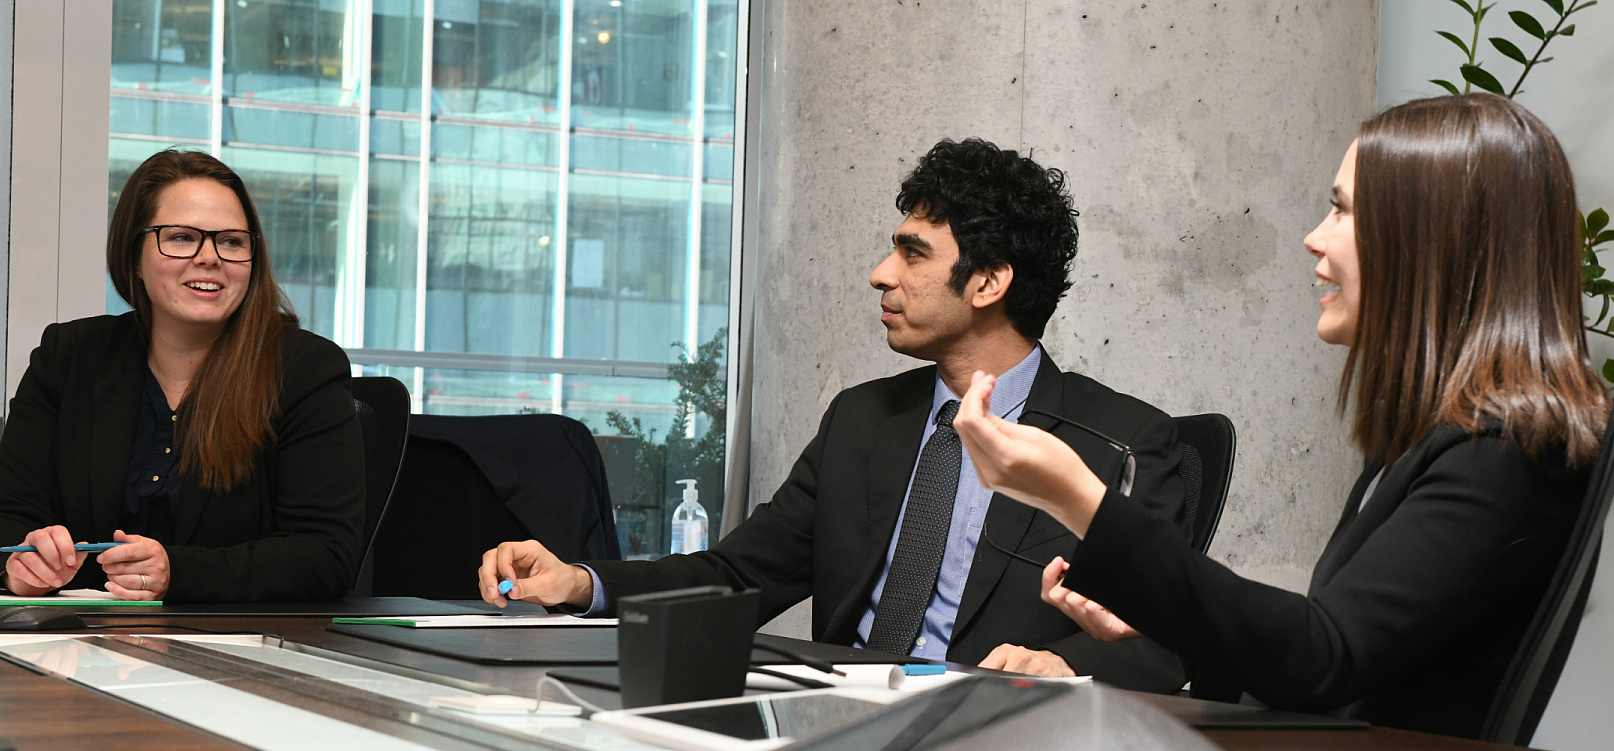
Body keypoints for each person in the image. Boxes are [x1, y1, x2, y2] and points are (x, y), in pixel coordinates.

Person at [953, 94, 1611, 737]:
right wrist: (1161, 619)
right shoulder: (1436, 441)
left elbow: (1324, 659)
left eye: (1343, 212)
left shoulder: (1504, 450)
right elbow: (1317, 658)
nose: (1312, 238)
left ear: (1429, 239)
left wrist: (1079, 501)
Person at [481, 138, 1192, 689]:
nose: (881, 273)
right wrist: (584, 582)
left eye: (913, 254)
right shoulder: (862, 421)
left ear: (987, 282)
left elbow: (1171, 638)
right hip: (831, 725)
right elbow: (736, 577)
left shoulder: (1124, 444)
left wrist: (1063, 667)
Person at [0, 150, 364, 602]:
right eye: (181, 238)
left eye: (232, 242)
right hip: (77, 645)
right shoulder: (70, 357)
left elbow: (327, 554)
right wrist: (20, 567)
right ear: (134, 254)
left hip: (240, 651)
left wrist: (177, 573)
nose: (210, 257)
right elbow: (2, 516)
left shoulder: (305, 369)